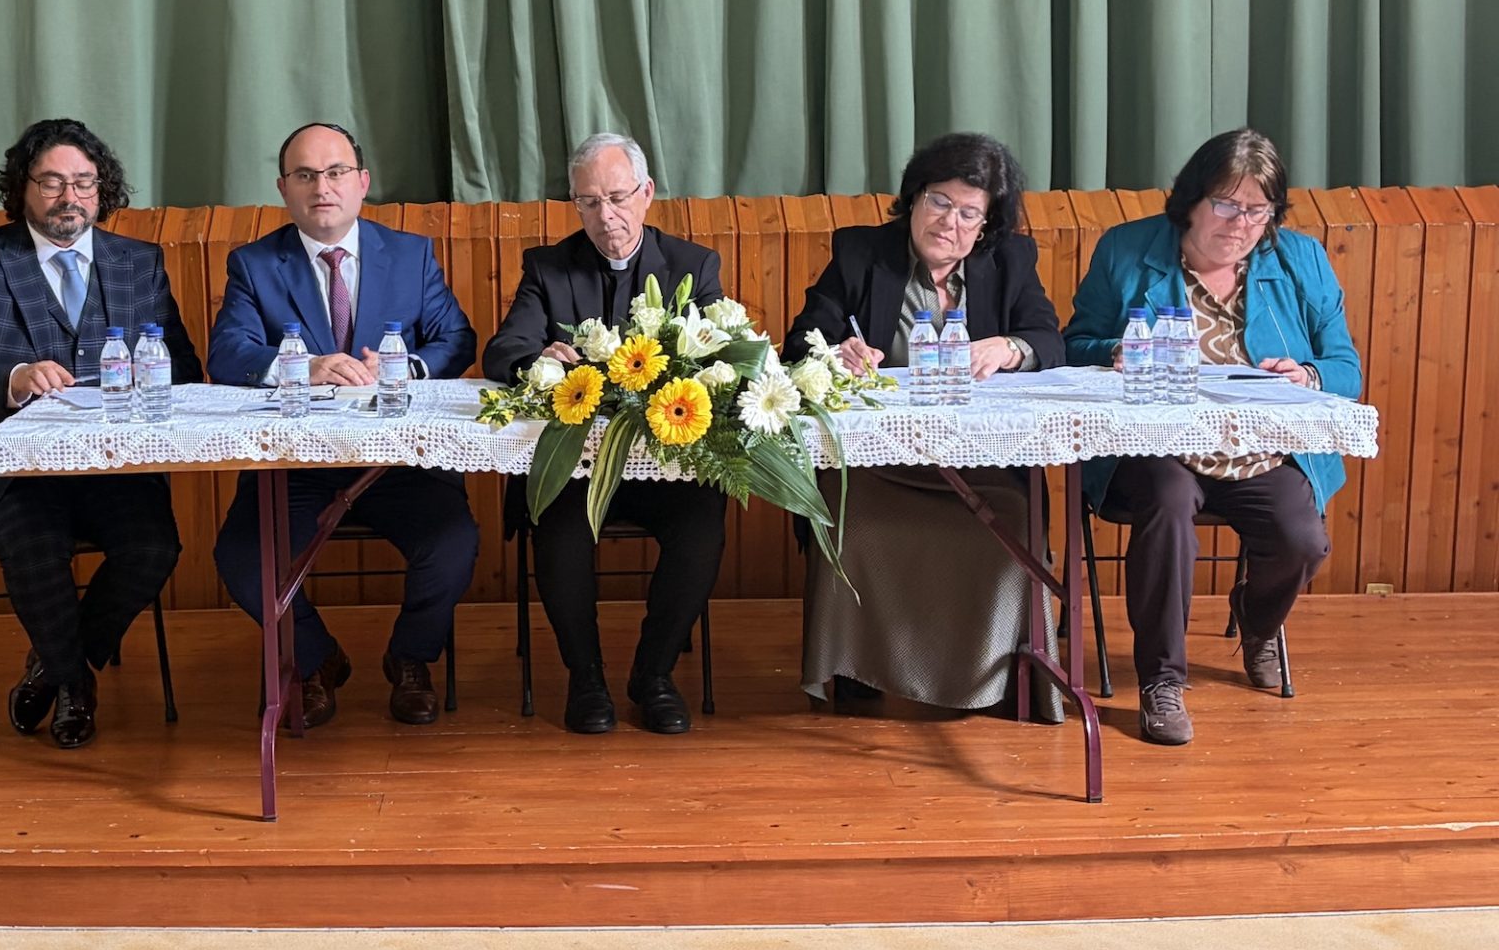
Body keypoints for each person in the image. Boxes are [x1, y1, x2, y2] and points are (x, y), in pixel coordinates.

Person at [1065, 127, 1360, 747]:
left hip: (1260, 447)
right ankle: (1161, 681)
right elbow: (1073, 345)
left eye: (1259, 210)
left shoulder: (1300, 260)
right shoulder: (1127, 250)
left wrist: (1306, 375)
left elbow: (1345, 368)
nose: (1242, 224)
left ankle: (1257, 621)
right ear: (1191, 200)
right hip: (1154, 445)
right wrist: (1115, 350)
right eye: (1227, 205)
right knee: (1168, 505)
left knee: (1302, 540)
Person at [0, 118, 203, 749]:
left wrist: (145, 374)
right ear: (22, 188)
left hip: (112, 468)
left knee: (154, 547)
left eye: (84, 182)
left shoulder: (139, 262)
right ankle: (76, 686)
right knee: (37, 546)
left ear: (103, 190)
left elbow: (184, 369)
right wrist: (14, 378)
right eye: (51, 182)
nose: (69, 197)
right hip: (12, 475)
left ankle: (54, 666)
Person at [783, 132, 1066, 718]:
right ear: (914, 197)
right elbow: (801, 342)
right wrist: (836, 352)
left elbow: (1048, 340)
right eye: (939, 201)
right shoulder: (862, 253)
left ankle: (995, 678)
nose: (949, 222)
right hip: (876, 463)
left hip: (976, 462)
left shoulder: (1010, 261)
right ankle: (857, 668)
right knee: (851, 521)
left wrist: (1009, 348)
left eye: (968, 213)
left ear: (985, 226)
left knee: (1016, 519)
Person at [207, 122, 478, 728]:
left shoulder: (410, 255)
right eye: (305, 175)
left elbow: (456, 340)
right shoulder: (254, 264)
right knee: (242, 558)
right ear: (284, 188)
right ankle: (316, 659)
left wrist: (405, 367)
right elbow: (227, 353)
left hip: (397, 461)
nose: (321, 187)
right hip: (295, 465)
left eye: (335, 173)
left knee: (452, 545)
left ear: (362, 182)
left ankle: (411, 659)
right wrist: (300, 366)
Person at [482, 133, 727, 735]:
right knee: (556, 523)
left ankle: (654, 674)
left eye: (617, 197)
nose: (605, 215)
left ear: (646, 193)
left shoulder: (693, 265)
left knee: (704, 523)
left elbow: (721, 350)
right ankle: (585, 678)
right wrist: (538, 360)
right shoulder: (548, 266)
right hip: (579, 467)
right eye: (588, 202)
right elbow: (504, 349)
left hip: (666, 464)